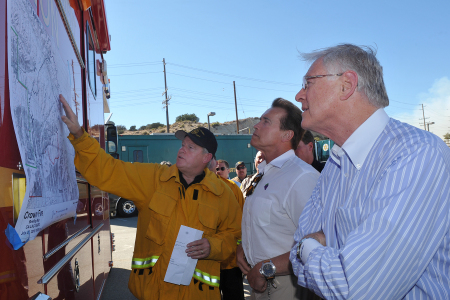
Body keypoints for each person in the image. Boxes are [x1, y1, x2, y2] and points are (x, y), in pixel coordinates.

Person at [290, 44, 450, 299]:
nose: (299, 95)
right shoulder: (335, 163)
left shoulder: (417, 153)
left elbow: (357, 289)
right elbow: (296, 254)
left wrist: (309, 248)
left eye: (307, 82)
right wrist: (316, 253)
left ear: (346, 84)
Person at [59, 95, 241, 300]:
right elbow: (109, 170)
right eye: (183, 144)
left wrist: (212, 247)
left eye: (191, 148)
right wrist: (80, 136)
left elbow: (234, 237)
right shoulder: (154, 179)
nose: (182, 149)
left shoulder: (224, 193)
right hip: (154, 293)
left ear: (206, 158)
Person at [237, 98, 320, 300]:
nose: (256, 125)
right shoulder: (264, 174)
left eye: (266, 121)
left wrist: (266, 269)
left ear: (287, 135)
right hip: (258, 282)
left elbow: (319, 242)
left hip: (286, 285)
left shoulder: (302, 177)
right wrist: (243, 248)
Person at [207, 158, 245, 300]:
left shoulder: (232, 187)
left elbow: (241, 221)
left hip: (230, 260)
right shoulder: (199, 187)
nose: (219, 171)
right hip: (207, 260)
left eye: (222, 168)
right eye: (218, 169)